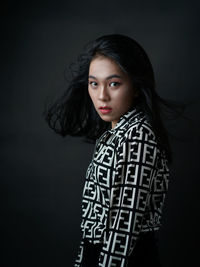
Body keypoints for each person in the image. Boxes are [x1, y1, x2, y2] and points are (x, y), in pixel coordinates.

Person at [43, 34, 180, 266]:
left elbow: (122, 230)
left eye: (114, 83)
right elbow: (93, 229)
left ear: (136, 87)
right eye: (94, 83)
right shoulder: (115, 133)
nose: (102, 95)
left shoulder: (138, 136)